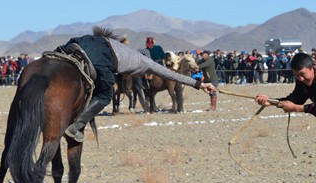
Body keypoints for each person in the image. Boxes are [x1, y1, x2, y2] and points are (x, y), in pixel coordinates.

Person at [62, 27, 216, 142]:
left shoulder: (124, 48)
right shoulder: (145, 62)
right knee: (104, 95)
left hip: (80, 41)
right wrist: (198, 84)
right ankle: (75, 126)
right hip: (102, 58)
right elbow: (171, 74)